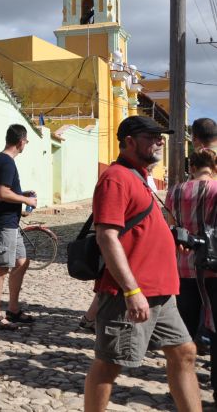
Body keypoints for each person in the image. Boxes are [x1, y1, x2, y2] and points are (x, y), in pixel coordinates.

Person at [84, 115, 200, 411]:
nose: (159, 141)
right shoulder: (115, 178)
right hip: (130, 293)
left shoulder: (138, 177)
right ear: (129, 142)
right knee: (109, 365)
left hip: (161, 292)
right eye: (151, 136)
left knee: (184, 352)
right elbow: (107, 237)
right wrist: (132, 291)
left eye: (160, 136)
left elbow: (138, 229)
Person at [167, 148, 217, 400]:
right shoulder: (216, 190)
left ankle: (180, 387)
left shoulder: (174, 191)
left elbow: (168, 226)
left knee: (182, 332)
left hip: (181, 267)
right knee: (215, 329)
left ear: (192, 167)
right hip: (212, 269)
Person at [0, 124, 37, 330]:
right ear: (21, 142)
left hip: (10, 223)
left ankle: (13, 309)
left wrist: (22, 194)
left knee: (21, 262)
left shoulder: (1, 160)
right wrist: (26, 200)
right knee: (1, 268)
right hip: (1, 224)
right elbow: (2, 193)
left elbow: (5, 191)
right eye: (26, 142)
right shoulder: (6, 163)